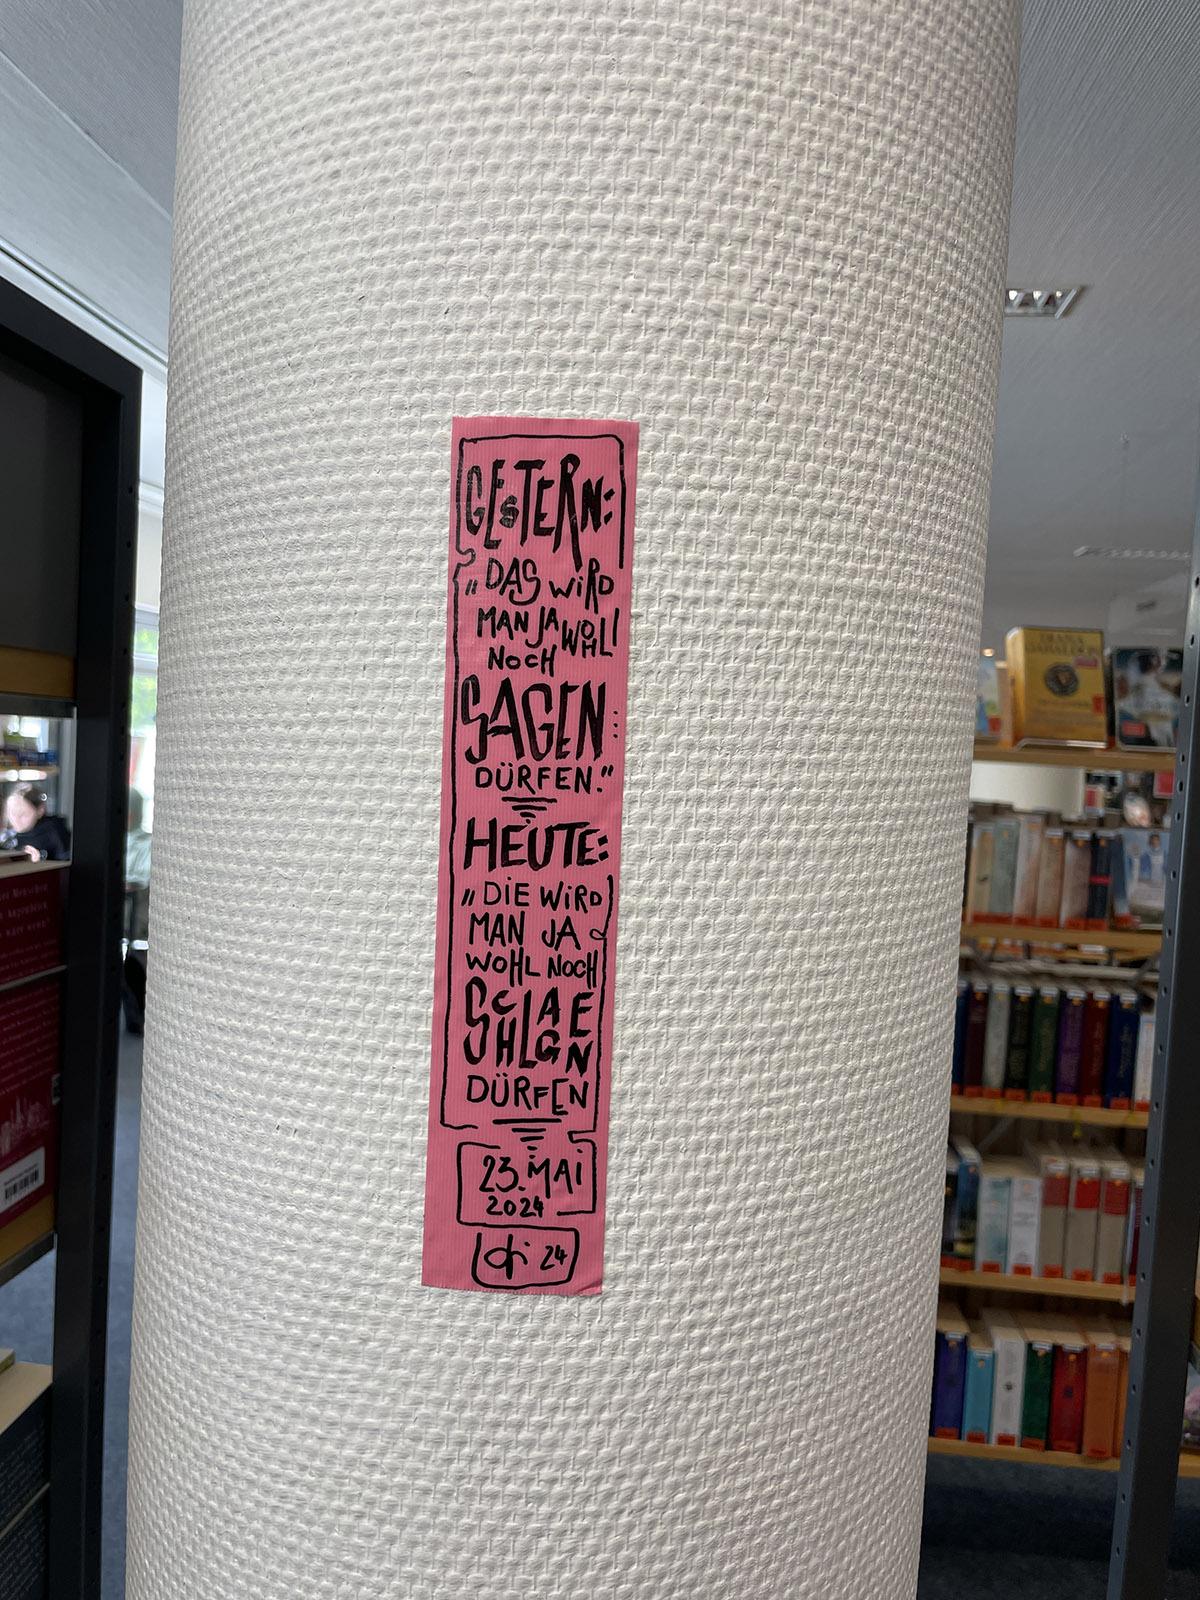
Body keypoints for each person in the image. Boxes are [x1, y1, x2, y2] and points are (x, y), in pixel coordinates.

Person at [1, 785, 70, 861]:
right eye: (12, 813)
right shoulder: (7, 836)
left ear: (40, 810)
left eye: (22, 814)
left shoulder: (55, 834)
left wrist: (41, 860)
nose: (16, 819)